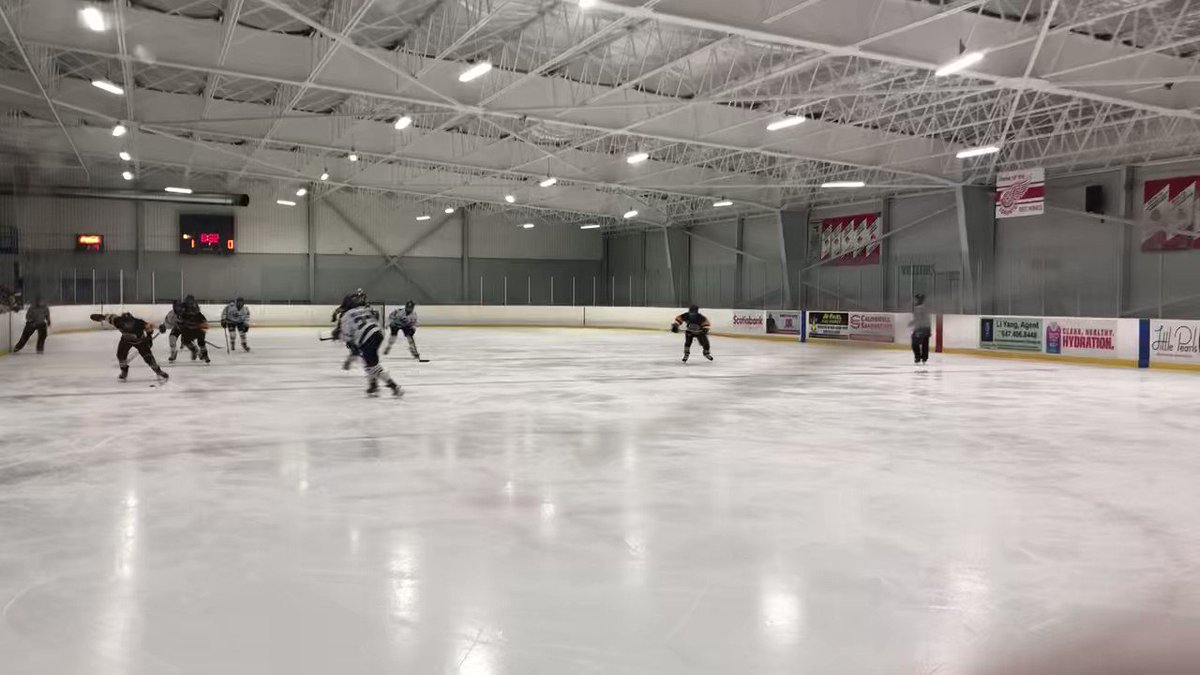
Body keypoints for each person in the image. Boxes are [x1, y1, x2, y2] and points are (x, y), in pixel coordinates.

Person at [339, 295, 402, 397]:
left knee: (373, 365)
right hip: (378, 333)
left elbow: (347, 336)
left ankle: (394, 387)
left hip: (366, 338)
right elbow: (375, 320)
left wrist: (351, 348)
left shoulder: (346, 316)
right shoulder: (363, 309)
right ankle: (373, 385)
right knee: (368, 360)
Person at [90, 311, 169, 383]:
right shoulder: (117, 321)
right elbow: (109, 317)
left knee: (148, 357)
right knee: (120, 356)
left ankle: (158, 371)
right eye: (125, 323)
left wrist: (150, 337)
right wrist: (102, 317)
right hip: (126, 341)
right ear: (122, 320)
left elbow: (150, 327)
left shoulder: (139, 323)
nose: (127, 325)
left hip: (140, 341)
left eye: (129, 323)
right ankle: (124, 370)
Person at [178, 295, 211, 363]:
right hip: (188, 330)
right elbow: (180, 322)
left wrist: (202, 328)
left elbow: (204, 323)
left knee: (201, 342)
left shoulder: (197, 313)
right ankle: (195, 350)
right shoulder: (184, 312)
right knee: (186, 341)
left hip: (196, 330)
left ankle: (204, 355)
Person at [910, 293, 931, 364]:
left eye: (916, 299)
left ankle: (919, 357)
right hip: (925, 327)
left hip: (921, 328)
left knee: (915, 343)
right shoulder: (920, 307)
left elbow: (919, 319)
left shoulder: (920, 308)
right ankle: (923, 358)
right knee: (924, 343)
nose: (915, 300)